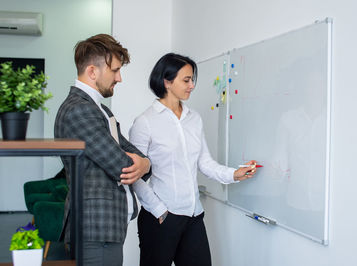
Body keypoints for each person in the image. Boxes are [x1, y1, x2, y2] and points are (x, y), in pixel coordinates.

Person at [128, 53, 257, 266]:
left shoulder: (194, 119)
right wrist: (160, 211)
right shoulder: (145, 122)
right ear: (167, 82)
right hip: (161, 218)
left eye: (192, 79)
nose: (192, 85)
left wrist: (234, 174)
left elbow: (205, 162)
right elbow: (135, 176)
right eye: (186, 80)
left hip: (194, 215)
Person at [54, 34, 151, 266]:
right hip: (94, 231)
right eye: (115, 70)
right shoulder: (79, 110)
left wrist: (145, 163)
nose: (119, 78)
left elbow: (139, 157)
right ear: (92, 71)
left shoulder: (101, 112)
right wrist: (141, 164)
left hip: (104, 231)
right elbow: (124, 165)